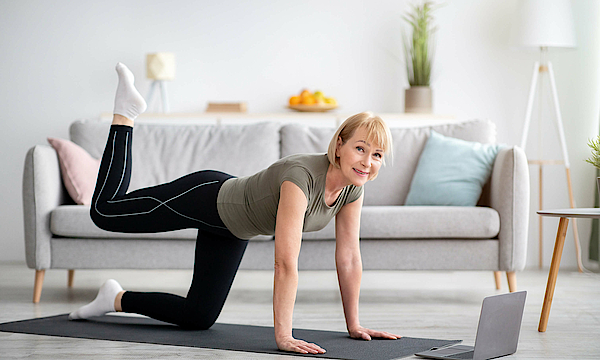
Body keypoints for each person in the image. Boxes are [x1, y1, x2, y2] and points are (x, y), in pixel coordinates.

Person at [69, 63, 400, 355]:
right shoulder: (301, 177)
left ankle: (115, 298)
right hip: (208, 198)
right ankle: (125, 115)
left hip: (233, 227)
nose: (368, 162)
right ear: (339, 144)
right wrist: (283, 335)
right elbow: (285, 262)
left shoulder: (352, 189)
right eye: (361, 148)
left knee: (198, 317)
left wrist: (354, 325)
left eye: (377, 155)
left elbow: (349, 257)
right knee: (105, 211)